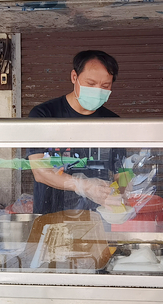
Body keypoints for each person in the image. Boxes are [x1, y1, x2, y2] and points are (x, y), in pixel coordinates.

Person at [27, 50, 124, 214]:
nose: (97, 90)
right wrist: (84, 186)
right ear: (74, 77)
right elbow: (40, 172)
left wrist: (122, 194)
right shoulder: (44, 114)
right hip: (51, 214)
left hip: (97, 217)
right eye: (91, 84)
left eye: (105, 86)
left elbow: (122, 172)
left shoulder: (113, 122)